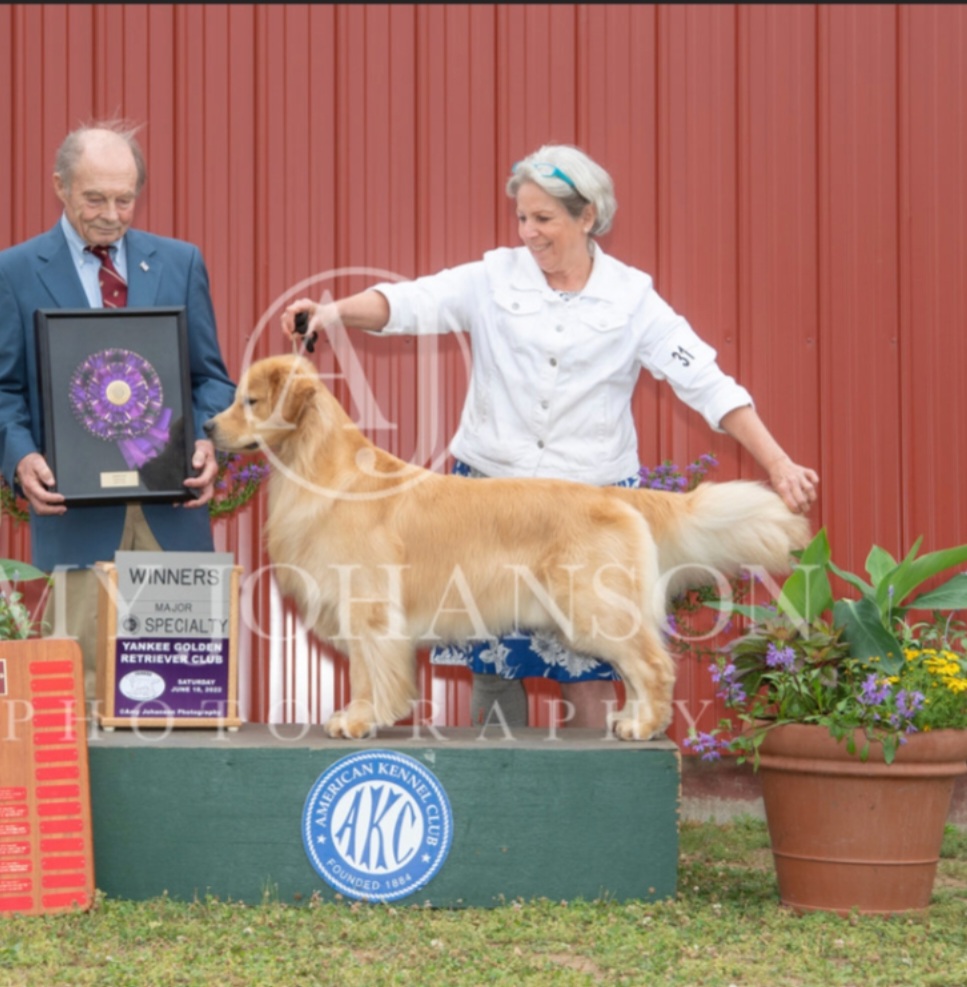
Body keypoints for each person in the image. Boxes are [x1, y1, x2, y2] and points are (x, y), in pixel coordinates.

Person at [281, 143, 819, 730]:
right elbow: (412, 301)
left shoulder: (633, 298)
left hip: (586, 503)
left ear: (588, 216)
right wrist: (334, 312)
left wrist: (778, 462)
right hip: (487, 500)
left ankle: (604, 778)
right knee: (493, 668)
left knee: (589, 662)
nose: (528, 233)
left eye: (544, 218)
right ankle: (497, 783)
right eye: (522, 217)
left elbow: (706, 381)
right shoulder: (493, 276)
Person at [0, 120, 236, 690]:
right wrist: (21, 457)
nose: (111, 214)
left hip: (171, 515)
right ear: (59, 187)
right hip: (76, 522)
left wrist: (207, 442)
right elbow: (4, 390)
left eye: (124, 199)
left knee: (181, 695)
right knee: (76, 697)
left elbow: (211, 379)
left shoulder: (180, 263)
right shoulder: (14, 272)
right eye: (95, 198)